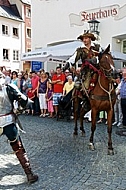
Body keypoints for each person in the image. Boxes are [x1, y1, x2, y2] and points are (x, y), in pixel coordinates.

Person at [0, 73, 38, 184]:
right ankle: (29, 174)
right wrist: (19, 110)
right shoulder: (9, 86)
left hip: (7, 120)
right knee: (18, 148)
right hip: (8, 121)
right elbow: (24, 101)